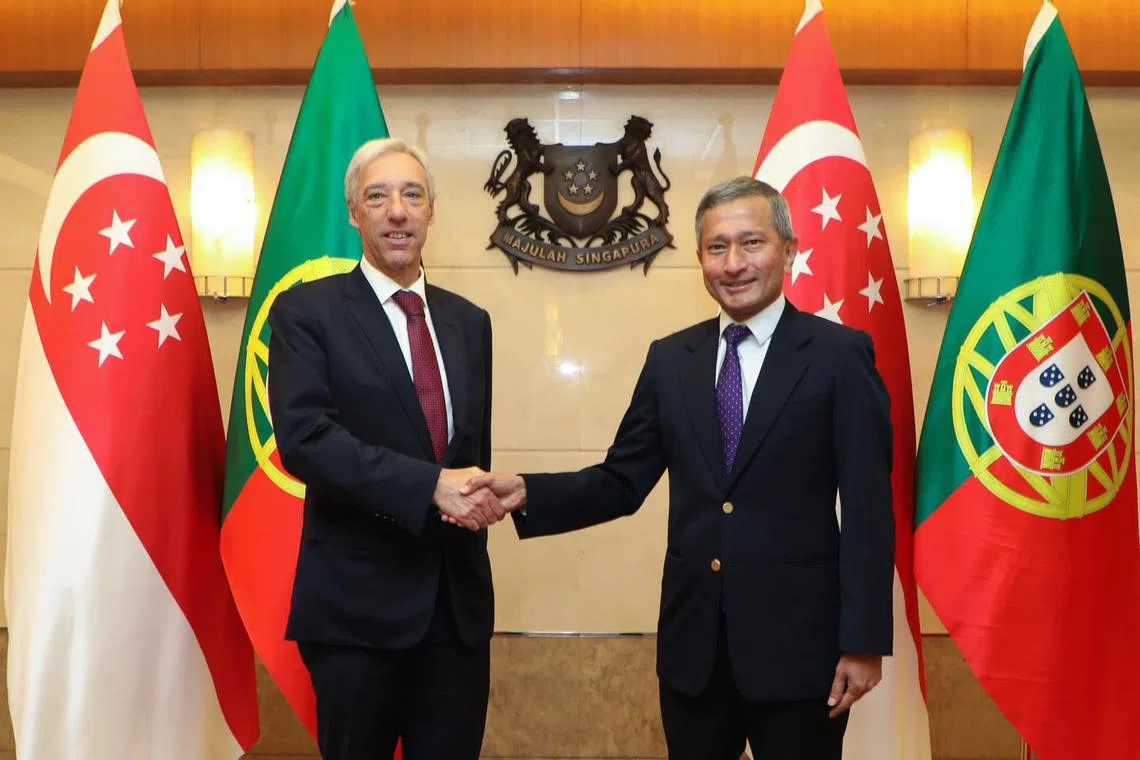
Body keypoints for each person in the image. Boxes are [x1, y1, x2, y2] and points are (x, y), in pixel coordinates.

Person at [463, 176, 895, 760]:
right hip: (694, 656)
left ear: (789, 250)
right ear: (700, 260)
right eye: (718, 248)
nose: (734, 263)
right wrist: (526, 491)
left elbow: (869, 508)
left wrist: (864, 643)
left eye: (751, 243)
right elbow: (622, 480)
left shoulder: (840, 356)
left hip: (802, 655)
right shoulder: (672, 359)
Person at [266, 137, 508, 760]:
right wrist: (431, 486)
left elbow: (466, 454)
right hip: (355, 616)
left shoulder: (468, 321)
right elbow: (306, 440)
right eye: (378, 197)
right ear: (354, 212)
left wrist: (476, 497)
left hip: (456, 615)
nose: (396, 211)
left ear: (431, 211)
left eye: (412, 195)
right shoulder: (306, 312)